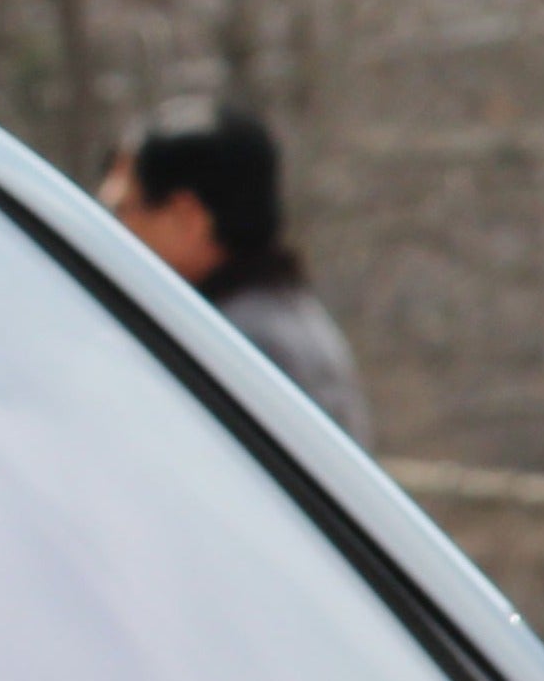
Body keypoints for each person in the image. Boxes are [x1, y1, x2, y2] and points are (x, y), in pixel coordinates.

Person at [99, 98, 371, 445]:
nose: (116, 231)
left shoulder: (242, 346)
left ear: (187, 217)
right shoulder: (273, 321)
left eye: (125, 210)